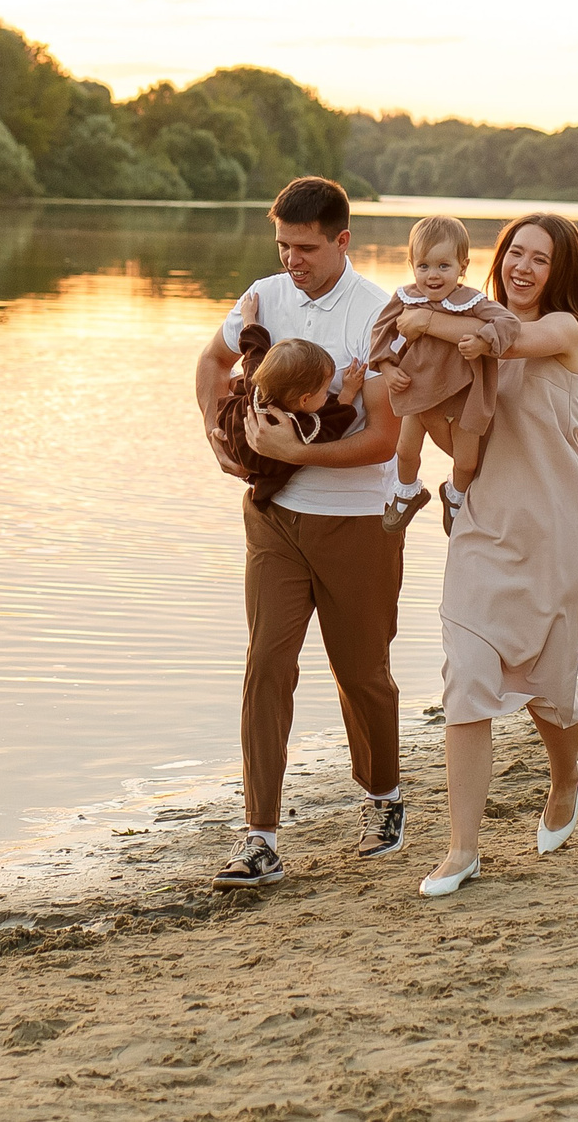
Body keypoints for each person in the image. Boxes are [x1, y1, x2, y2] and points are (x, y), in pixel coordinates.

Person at [382, 212, 578, 898]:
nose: (521, 266)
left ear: (560, 272)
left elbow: (508, 342)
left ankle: (568, 774)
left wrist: (425, 320)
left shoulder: (562, 333)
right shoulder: (466, 326)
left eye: (539, 259)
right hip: (483, 528)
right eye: (514, 252)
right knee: (469, 681)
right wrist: (411, 393)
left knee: (550, 692)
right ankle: (462, 848)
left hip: (551, 531)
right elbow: (451, 433)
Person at [193, 176, 408, 888]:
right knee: (267, 664)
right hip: (273, 519)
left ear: (343, 240)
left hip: (357, 524)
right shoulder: (264, 295)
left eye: (307, 248)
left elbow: (383, 437)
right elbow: (212, 362)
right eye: (283, 245)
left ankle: (383, 797)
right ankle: (259, 837)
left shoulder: (380, 313)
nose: (292, 260)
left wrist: (299, 451)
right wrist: (219, 438)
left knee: (362, 675)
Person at [367, 214, 519, 535]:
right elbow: (380, 330)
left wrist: (482, 341)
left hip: (463, 395)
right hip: (418, 390)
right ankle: (407, 493)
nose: (432, 276)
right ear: (411, 264)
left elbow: (509, 324)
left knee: (466, 462)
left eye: (443, 266)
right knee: (405, 451)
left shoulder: (472, 302)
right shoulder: (407, 297)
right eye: (423, 266)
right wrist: (387, 366)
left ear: (462, 267)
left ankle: (455, 496)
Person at [211, 329, 369, 507]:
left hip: (234, 422)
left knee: (242, 389)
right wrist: (348, 392)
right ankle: (260, 491)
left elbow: (254, 352)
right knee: (280, 467)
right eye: (325, 391)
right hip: (257, 457)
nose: (328, 395)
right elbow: (329, 426)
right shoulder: (294, 427)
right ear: (304, 399)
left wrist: (249, 320)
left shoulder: (257, 383)